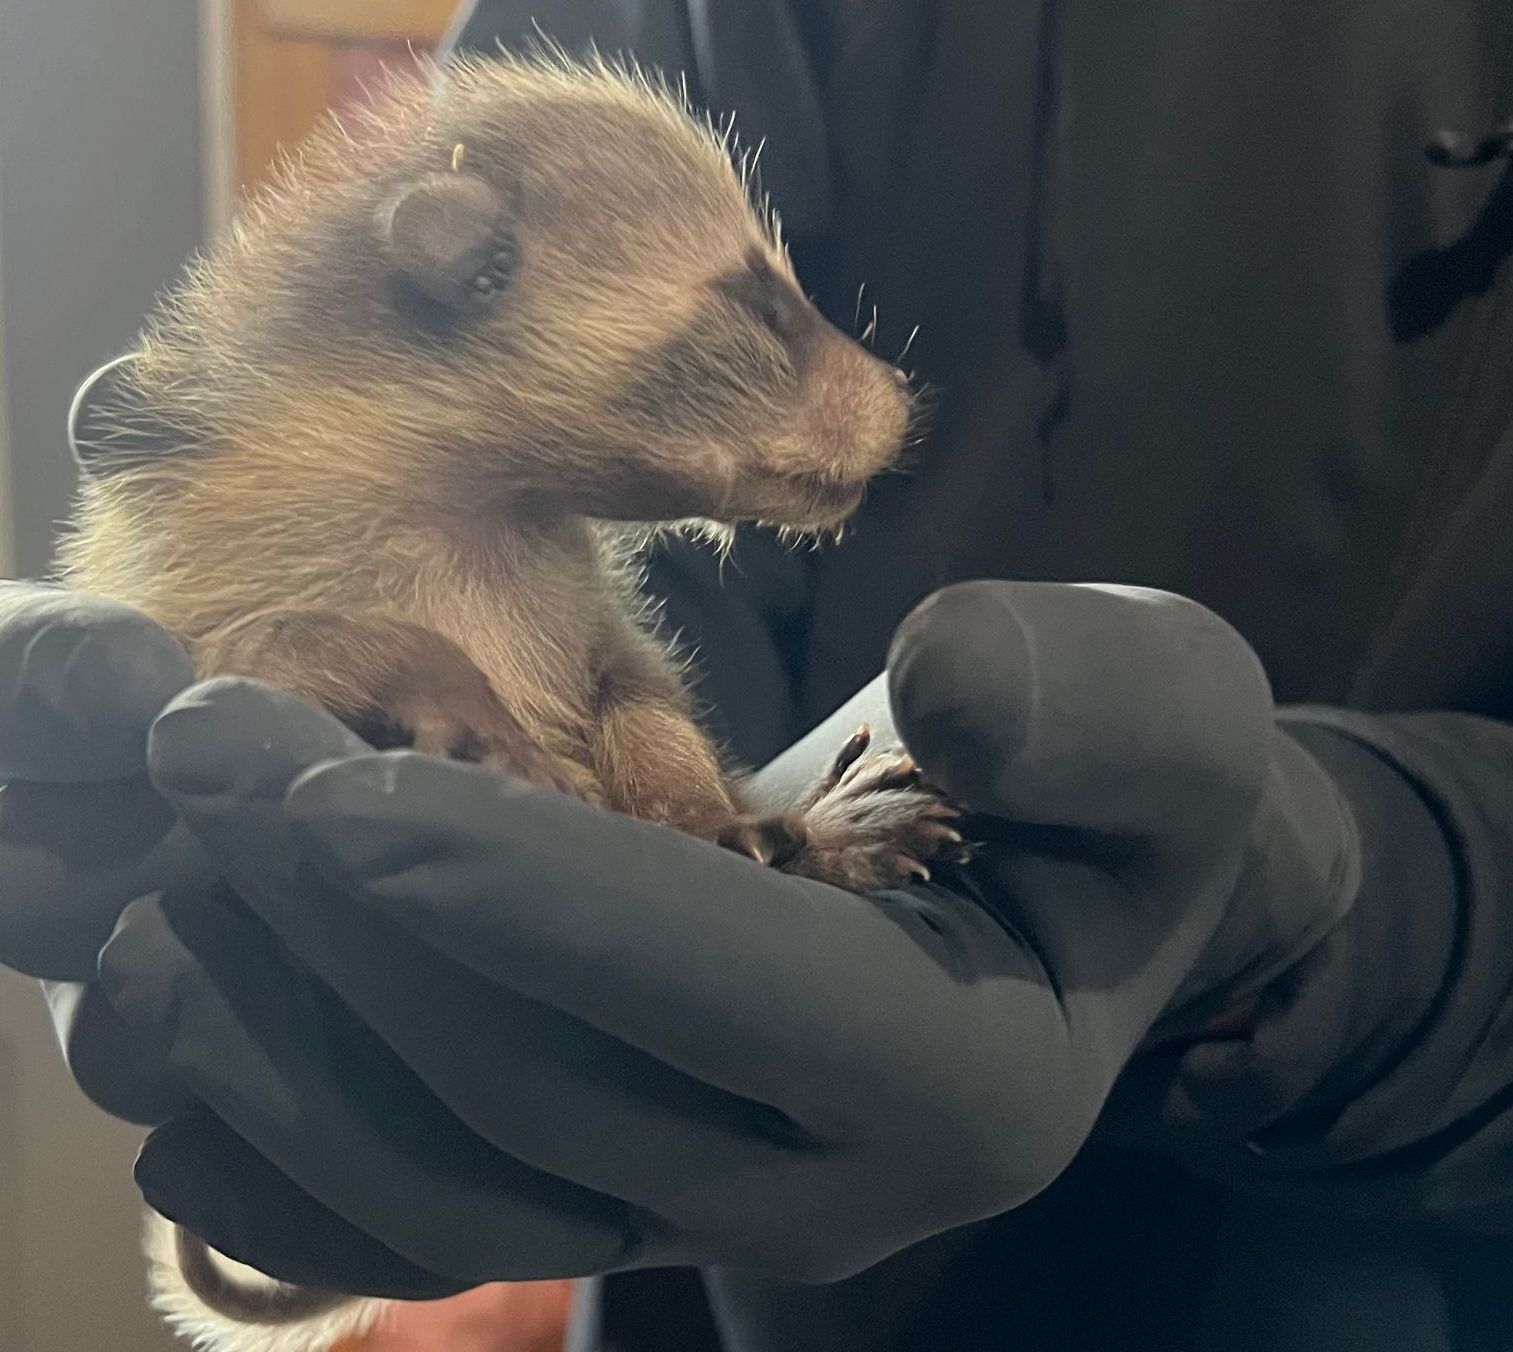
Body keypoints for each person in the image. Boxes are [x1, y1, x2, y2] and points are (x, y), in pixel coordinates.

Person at [3, 2, 1513, 1349]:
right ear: (461, 274)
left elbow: (619, 694)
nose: (872, 397)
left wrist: (1394, 928)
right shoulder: (365, 420)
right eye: (756, 315)